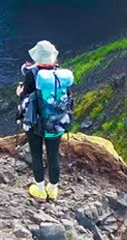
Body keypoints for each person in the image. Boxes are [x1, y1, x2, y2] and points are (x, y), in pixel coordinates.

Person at [17, 40, 74, 201]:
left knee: (36, 154)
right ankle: (53, 189)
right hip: (57, 122)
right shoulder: (60, 75)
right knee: (53, 155)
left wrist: (20, 92)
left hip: (35, 123)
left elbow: (25, 97)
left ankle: (40, 190)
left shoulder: (32, 74)